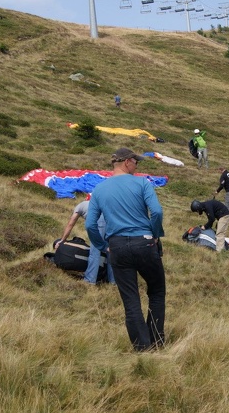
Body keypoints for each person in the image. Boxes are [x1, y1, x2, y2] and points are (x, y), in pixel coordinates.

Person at [86, 147, 165, 352]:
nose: (137, 165)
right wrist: (155, 234)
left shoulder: (99, 190)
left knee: (131, 301)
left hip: (117, 247)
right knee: (156, 291)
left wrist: (103, 246)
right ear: (128, 162)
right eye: (136, 162)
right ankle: (157, 341)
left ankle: (142, 349)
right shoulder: (141, 183)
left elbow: (90, 225)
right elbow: (156, 211)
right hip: (145, 242)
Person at [55, 194, 114, 285]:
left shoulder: (81, 205)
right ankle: (113, 281)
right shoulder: (102, 204)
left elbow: (71, 224)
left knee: (95, 252)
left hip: (99, 222)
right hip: (111, 222)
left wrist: (63, 240)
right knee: (111, 252)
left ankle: (90, 280)